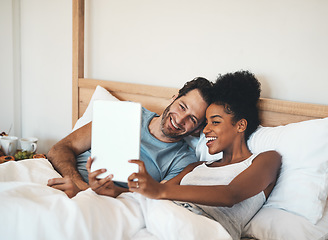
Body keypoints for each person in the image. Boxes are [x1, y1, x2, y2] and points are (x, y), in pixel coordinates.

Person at [87, 71, 282, 239]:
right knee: (97, 214)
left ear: (240, 125)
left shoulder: (266, 159)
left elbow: (231, 194)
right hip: (164, 219)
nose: (205, 130)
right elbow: (150, 193)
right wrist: (114, 192)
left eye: (215, 122)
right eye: (205, 123)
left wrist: (159, 192)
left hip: (206, 229)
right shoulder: (196, 166)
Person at [47, 77, 213, 198]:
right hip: (66, 179)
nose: (180, 119)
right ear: (174, 98)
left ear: (197, 129)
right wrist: (79, 184)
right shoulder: (124, 112)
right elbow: (59, 149)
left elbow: (156, 198)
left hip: (107, 202)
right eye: (182, 107)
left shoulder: (183, 160)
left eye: (192, 119)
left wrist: (92, 193)